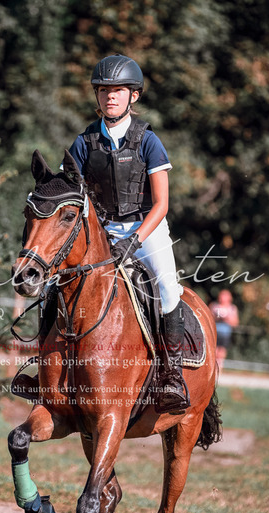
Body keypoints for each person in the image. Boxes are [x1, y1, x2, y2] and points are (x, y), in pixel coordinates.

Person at [66, 53, 188, 414]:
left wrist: (133, 241)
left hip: (145, 227)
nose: (110, 96)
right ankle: (43, 365)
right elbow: (69, 191)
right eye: (104, 90)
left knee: (167, 287)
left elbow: (162, 204)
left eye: (118, 90)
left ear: (133, 95)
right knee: (56, 284)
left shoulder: (149, 141)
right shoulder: (84, 142)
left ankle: (172, 375)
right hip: (101, 230)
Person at [209, 289, 239, 371]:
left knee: (221, 352)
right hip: (214, 332)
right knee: (214, 351)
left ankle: (219, 368)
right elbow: (208, 318)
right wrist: (216, 317)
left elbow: (235, 323)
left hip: (225, 334)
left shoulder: (232, 308)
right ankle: (212, 367)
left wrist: (227, 318)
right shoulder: (214, 306)